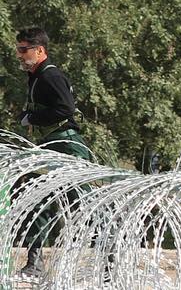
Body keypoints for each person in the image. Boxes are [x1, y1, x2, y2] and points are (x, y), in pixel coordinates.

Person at [13, 26, 92, 279]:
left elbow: (66, 110)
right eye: (18, 50)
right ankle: (34, 264)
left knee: (83, 204)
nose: (20, 55)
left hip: (66, 146)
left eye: (24, 50)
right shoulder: (36, 76)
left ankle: (110, 258)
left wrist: (33, 117)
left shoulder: (51, 76)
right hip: (48, 145)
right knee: (38, 202)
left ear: (39, 50)